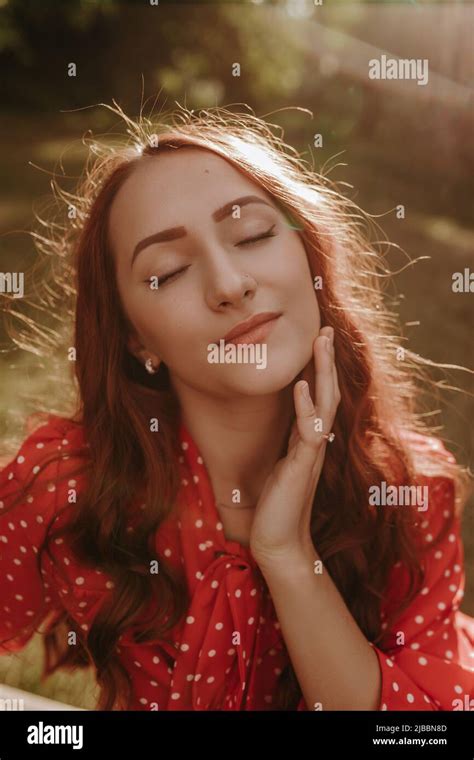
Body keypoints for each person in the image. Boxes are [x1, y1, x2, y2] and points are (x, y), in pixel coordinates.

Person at [1, 103, 473, 711]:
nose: (228, 284)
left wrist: (288, 555)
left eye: (252, 235)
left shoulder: (408, 492)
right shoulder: (71, 485)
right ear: (134, 337)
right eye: (166, 273)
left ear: (311, 260)